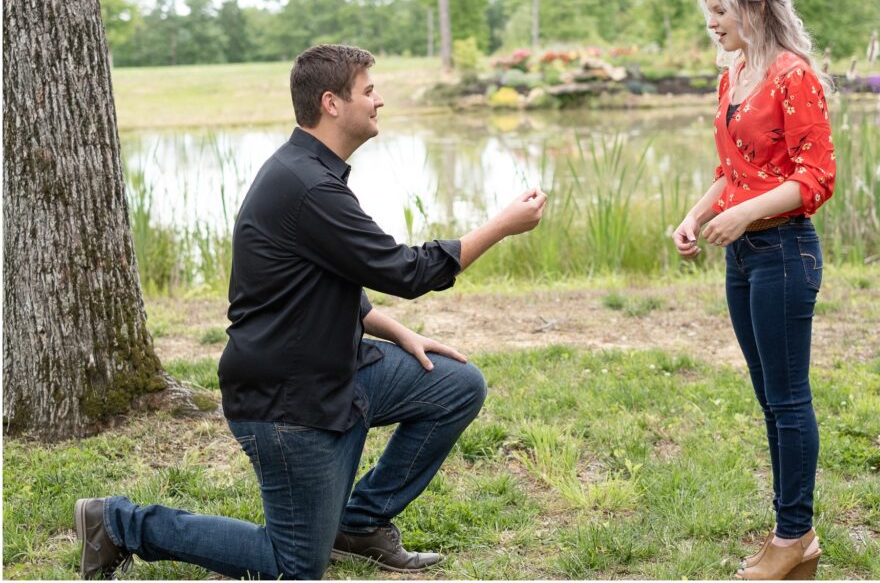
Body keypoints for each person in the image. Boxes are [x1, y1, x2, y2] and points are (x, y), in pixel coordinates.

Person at [74, 44, 548, 580]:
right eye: (369, 90)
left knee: (456, 385)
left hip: (338, 371)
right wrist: (501, 226)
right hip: (287, 402)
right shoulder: (306, 186)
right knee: (294, 566)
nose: (380, 100)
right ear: (332, 103)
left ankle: (360, 523)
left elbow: (331, 280)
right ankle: (118, 522)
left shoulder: (311, 173)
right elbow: (407, 272)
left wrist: (399, 333)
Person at [672, 0, 835, 580]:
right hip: (743, 259)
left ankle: (794, 536)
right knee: (770, 398)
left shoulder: (794, 76)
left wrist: (744, 217)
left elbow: (816, 178)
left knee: (789, 399)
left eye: (721, 10)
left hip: (785, 253)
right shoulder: (734, 74)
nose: (712, 23)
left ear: (757, 5)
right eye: (707, 12)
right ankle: (791, 533)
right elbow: (732, 172)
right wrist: (694, 216)